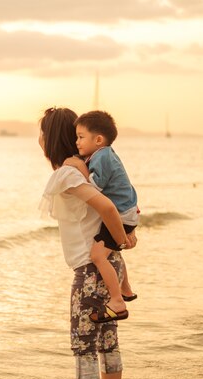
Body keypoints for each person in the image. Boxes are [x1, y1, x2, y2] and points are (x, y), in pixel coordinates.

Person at [38, 106, 137, 379]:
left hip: (91, 272)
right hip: (107, 265)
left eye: (42, 133)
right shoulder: (82, 169)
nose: (39, 139)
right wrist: (123, 237)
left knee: (84, 348)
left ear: (51, 137)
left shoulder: (67, 174)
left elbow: (108, 206)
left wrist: (121, 238)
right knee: (107, 344)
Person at [62, 110, 139, 323]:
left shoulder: (101, 157)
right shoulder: (104, 153)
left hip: (120, 215)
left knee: (98, 256)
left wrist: (78, 166)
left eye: (80, 137)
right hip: (128, 211)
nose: (76, 142)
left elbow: (94, 187)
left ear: (98, 139)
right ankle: (126, 289)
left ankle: (117, 302)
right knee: (113, 251)